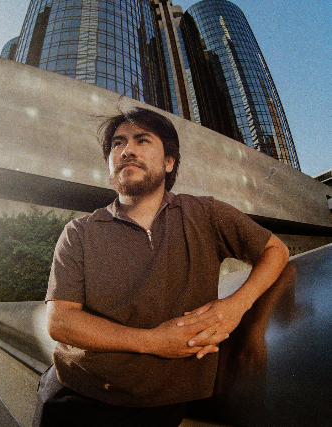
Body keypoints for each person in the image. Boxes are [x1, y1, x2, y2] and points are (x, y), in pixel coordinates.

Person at [32, 107, 289, 427]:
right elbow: (61, 322)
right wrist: (153, 341)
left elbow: (275, 250)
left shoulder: (205, 213)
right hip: (73, 396)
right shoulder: (79, 232)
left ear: (169, 161)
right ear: (109, 163)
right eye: (117, 143)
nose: (127, 150)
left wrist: (236, 305)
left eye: (142, 140)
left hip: (159, 407)